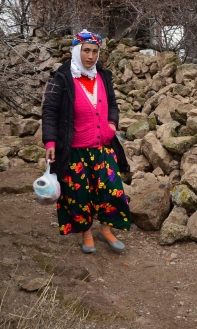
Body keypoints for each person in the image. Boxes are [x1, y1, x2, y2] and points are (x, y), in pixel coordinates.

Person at [42, 30, 131, 254]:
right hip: (75, 152)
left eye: (94, 51)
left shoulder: (103, 76)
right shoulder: (62, 79)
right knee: (80, 195)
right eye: (86, 51)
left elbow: (112, 104)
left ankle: (107, 229)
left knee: (111, 191)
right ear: (76, 51)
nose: (90, 56)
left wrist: (112, 125)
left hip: (103, 148)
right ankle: (87, 234)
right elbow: (50, 111)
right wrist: (50, 143)